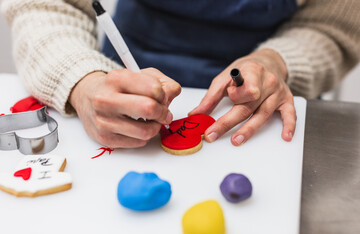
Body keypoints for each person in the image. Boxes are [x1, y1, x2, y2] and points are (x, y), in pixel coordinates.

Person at [1, 0, 359, 148]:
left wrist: (277, 62)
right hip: (122, 68)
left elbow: (334, 24)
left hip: (266, 95)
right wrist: (82, 81)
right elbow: (48, 5)